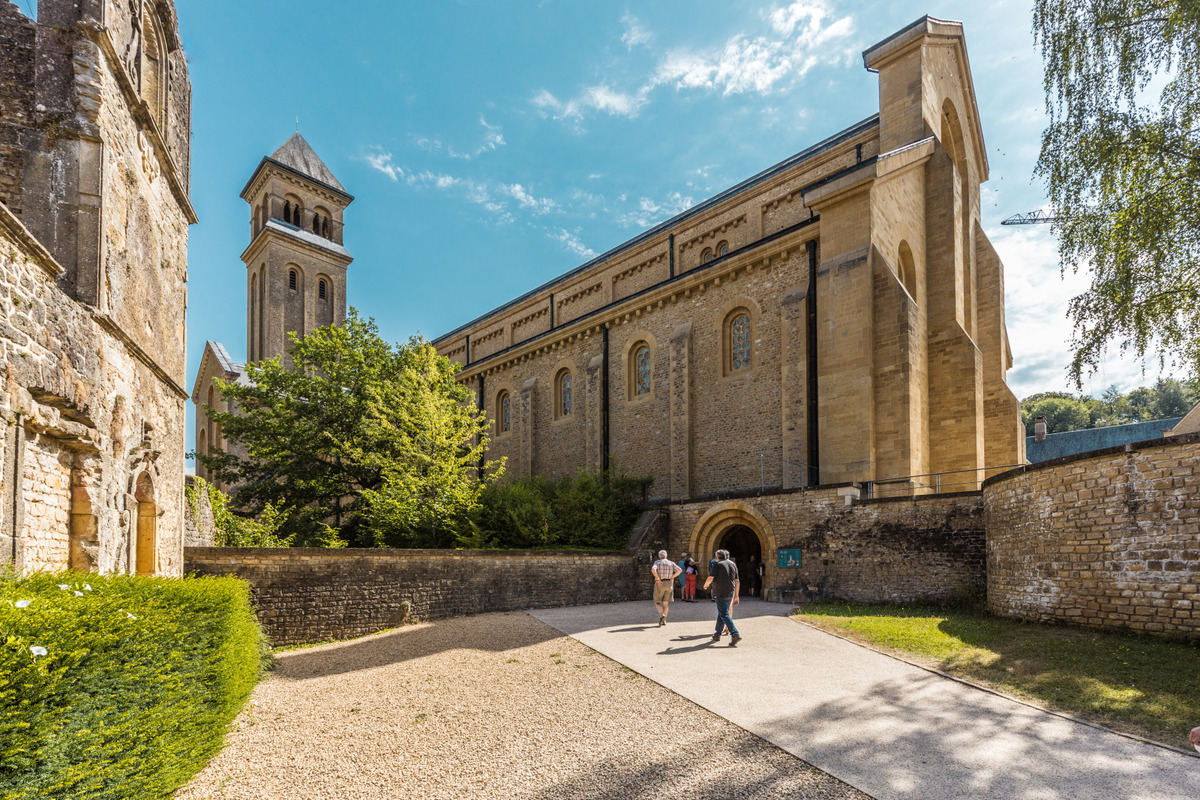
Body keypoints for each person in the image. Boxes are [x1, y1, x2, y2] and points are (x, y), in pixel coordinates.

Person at [702, 549, 741, 646]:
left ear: (717, 557)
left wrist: (705, 585)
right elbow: (737, 581)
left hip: (720, 592)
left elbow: (710, 577)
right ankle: (717, 634)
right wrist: (736, 595)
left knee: (724, 614)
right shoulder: (732, 564)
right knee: (722, 612)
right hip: (730, 592)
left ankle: (735, 634)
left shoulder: (717, 564)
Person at [650, 549, 682, 626]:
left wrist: (657, 578)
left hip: (659, 583)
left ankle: (662, 615)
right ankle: (664, 621)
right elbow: (680, 570)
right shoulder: (671, 563)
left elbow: (653, 570)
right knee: (665, 603)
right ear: (666, 556)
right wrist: (672, 577)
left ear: (659, 556)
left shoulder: (657, 562)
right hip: (669, 583)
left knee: (657, 602)